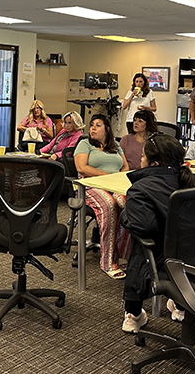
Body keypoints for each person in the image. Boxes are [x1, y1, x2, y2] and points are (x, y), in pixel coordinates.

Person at [120, 134, 195, 333]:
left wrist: (125, 213)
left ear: (154, 163)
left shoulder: (141, 189)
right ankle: (178, 306)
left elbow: (143, 227)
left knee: (143, 242)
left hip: (166, 265)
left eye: (142, 157)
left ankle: (133, 313)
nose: (140, 161)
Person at [74, 114, 130, 279]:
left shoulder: (116, 146)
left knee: (130, 204)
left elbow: (125, 166)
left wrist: (117, 180)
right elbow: (81, 167)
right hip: (89, 186)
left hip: (114, 185)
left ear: (107, 129)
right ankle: (107, 262)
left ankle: (122, 255)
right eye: (91, 125)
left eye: (98, 125)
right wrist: (107, 177)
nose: (92, 128)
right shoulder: (85, 144)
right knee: (110, 205)